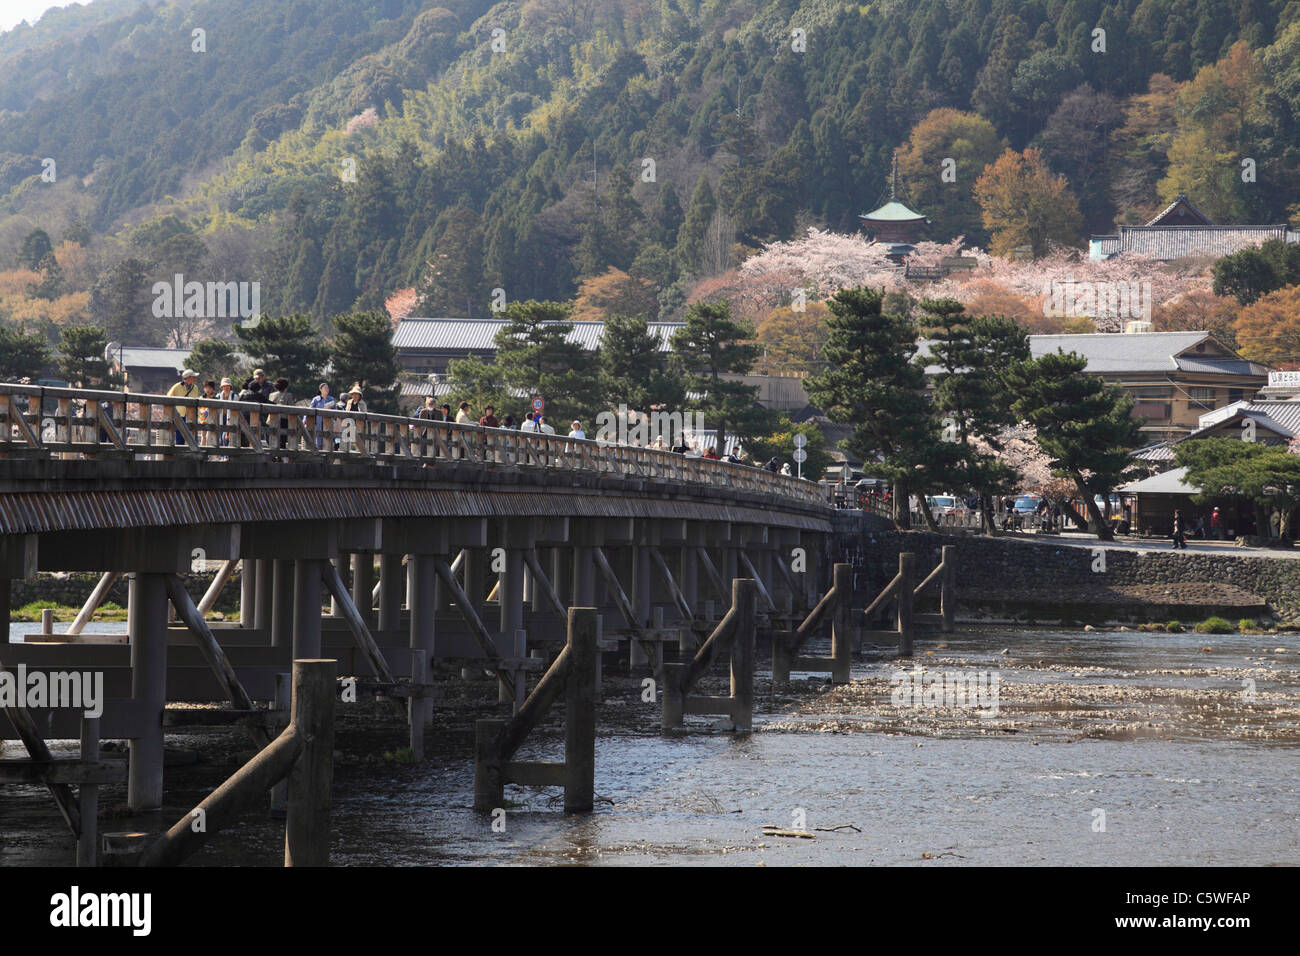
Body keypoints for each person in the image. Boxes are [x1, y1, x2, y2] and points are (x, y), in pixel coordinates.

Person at [166, 368, 199, 445]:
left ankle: (188, 453)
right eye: (193, 377)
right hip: (179, 415)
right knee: (179, 436)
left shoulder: (195, 388)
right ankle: (179, 453)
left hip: (191, 416)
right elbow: (168, 397)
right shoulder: (177, 386)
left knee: (190, 436)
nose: (194, 378)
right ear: (188, 378)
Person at [310, 383, 336, 450]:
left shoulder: (332, 399)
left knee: (328, 440)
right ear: (320, 389)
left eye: (328, 388)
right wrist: (305, 421)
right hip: (318, 422)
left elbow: (336, 412)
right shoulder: (316, 399)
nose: (327, 389)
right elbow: (310, 410)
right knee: (318, 440)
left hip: (328, 423)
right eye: (325, 388)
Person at [197, 379, 217, 447]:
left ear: (213, 389)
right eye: (206, 387)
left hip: (211, 416)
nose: (208, 389)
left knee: (209, 434)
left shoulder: (215, 398)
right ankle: (202, 448)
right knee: (203, 435)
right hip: (203, 415)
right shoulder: (201, 397)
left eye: (210, 388)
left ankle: (208, 449)